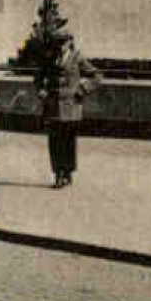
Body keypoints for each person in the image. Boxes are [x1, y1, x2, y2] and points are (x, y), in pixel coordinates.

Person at [36, 30, 100, 189]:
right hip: (52, 106)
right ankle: (58, 174)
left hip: (71, 107)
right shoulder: (50, 58)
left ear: (70, 42)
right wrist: (41, 88)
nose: (60, 46)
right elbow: (38, 77)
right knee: (54, 141)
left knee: (68, 141)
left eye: (62, 42)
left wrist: (82, 90)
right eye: (57, 43)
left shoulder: (77, 58)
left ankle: (68, 172)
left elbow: (97, 75)